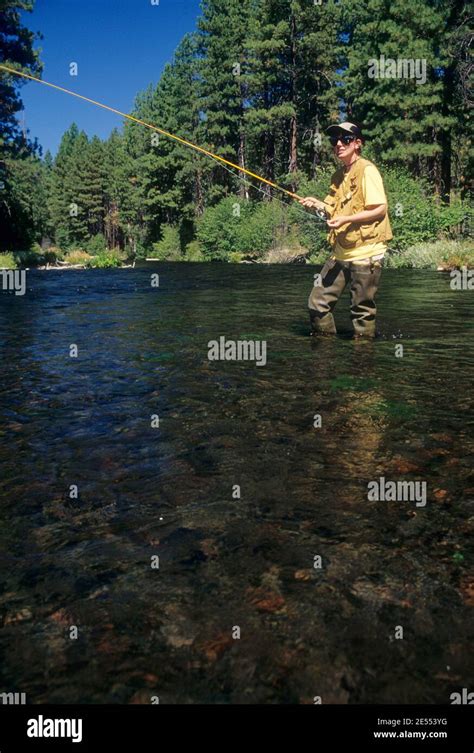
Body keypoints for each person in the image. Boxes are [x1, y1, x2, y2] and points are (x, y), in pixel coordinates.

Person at [300, 122, 392, 338]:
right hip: (342, 251)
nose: (339, 144)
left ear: (358, 144)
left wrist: (345, 220)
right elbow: (333, 210)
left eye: (346, 139)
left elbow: (380, 209)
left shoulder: (368, 170)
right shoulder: (338, 176)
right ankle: (325, 353)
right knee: (317, 304)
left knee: (361, 312)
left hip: (367, 252)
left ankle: (361, 360)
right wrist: (318, 204)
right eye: (335, 140)